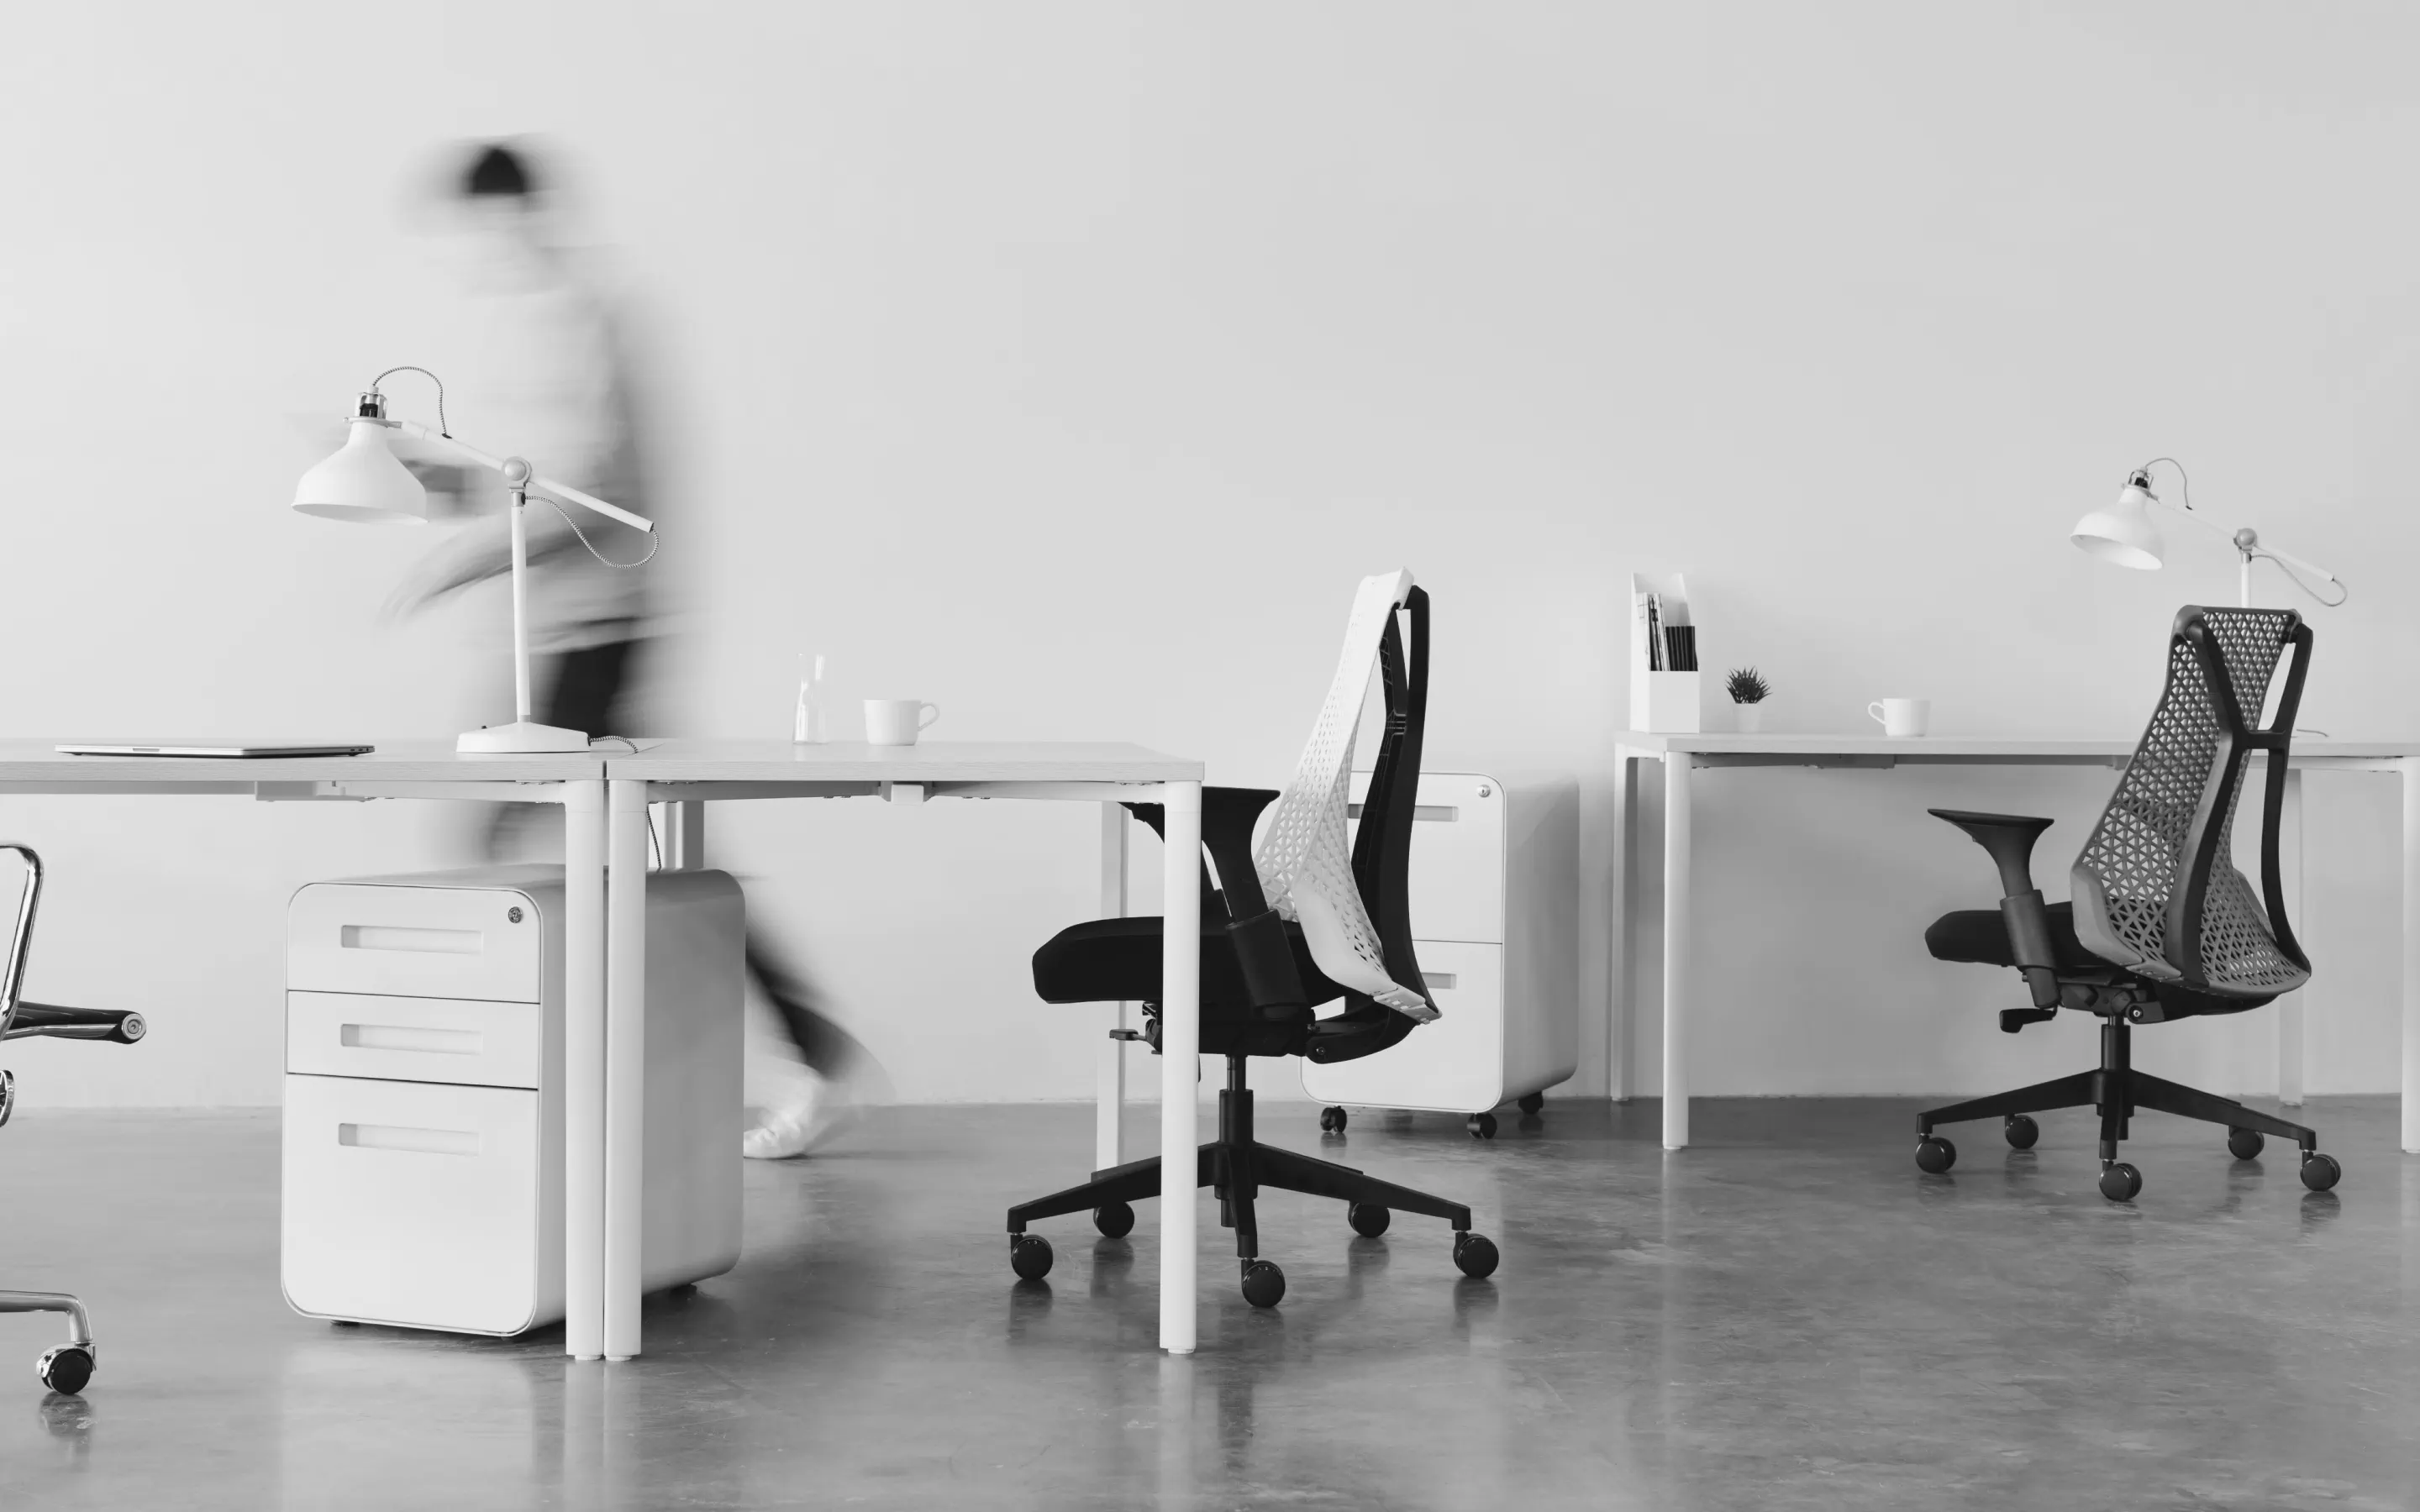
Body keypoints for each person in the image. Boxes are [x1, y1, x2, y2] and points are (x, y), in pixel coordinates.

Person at [392, 139, 872, 1158]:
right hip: (565, 631)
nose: (467, 252)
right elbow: (531, 481)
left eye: (476, 227)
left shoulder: (577, 318)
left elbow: (595, 502)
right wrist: (433, 493)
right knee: (631, 854)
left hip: (592, 631)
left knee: (516, 850)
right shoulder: (537, 323)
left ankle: (557, 1083)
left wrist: (462, 566)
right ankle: (793, 1043)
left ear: (512, 212)